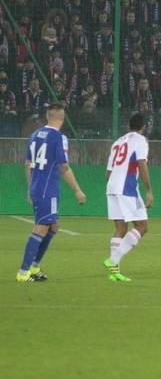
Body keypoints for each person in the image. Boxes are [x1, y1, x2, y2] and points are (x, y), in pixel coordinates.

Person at [17, 103, 87, 282]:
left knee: (53, 225)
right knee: (40, 228)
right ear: (62, 119)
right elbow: (63, 166)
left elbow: (27, 164)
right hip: (47, 189)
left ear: (48, 117)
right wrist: (78, 190)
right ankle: (24, 272)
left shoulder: (34, 135)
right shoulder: (58, 137)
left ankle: (35, 266)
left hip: (37, 187)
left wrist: (30, 187)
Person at [102, 113, 154, 282]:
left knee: (120, 228)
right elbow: (141, 163)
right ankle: (113, 260)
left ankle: (114, 272)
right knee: (142, 226)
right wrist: (148, 190)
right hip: (127, 188)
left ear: (128, 126)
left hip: (111, 187)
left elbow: (107, 173)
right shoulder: (140, 140)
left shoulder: (118, 142)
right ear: (143, 127)